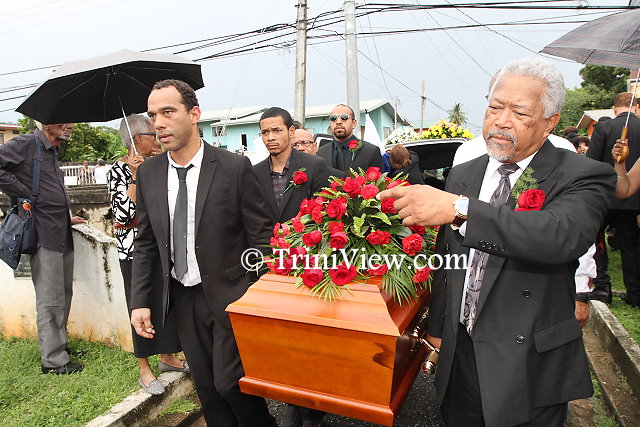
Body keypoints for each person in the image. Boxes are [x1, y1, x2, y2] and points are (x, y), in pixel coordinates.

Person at [379, 58, 615, 426]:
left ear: (549, 122)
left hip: (527, 356)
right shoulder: (464, 173)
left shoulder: (582, 174)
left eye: (519, 112)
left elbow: (560, 236)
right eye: (494, 107)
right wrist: (438, 329)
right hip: (461, 349)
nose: (502, 121)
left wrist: (460, 209)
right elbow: (448, 260)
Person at [129, 79, 276, 426]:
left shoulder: (233, 167)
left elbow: (262, 236)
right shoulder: (148, 174)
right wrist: (140, 301)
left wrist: (259, 295)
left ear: (194, 114)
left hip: (233, 295)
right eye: (153, 115)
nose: (158, 123)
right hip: (182, 297)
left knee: (231, 384)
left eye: (168, 112)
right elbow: (146, 242)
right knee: (208, 389)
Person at [109, 114, 188, 395]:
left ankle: (168, 356)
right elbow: (122, 215)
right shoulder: (118, 170)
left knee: (166, 302)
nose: (157, 139)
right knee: (139, 306)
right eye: (153, 134)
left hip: (161, 247)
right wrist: (134, 177)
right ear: (138, 138)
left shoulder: (156, 165)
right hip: (133, 249)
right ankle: (144, 368)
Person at [0, 123, 87, 374]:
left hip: (60, 228)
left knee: (64, 293)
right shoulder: (27, 143)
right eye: (63, 120)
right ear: (47, 123)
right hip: (42, 232)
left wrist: (65, 216)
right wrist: (25, 193)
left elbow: (51, 190)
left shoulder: (51, 150)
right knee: (50, 297)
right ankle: (53, 360)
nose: (69, 125)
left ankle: (59, 346)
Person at [587, 92, 640, 306]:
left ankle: (603, 286)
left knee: (597, 241)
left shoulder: (603, 128)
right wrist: (619, 163)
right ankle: (635, 294)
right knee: (630, 246)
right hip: (630, 200)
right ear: (636, 108)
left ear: (614, 108)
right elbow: (624, 187)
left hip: (605, 199)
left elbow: (591, 164)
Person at [254, 108, 330, 225]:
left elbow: (322, 213)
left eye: (277, 130)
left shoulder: (314, 165)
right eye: (265, 132)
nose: (270, 138)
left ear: (291, 131)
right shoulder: (255, 172)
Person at [317, 104, 384, 173]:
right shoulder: (320, 152)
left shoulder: (370, 151)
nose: (338, 122)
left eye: (344, 117)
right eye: (333, 118)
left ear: (354, 123)